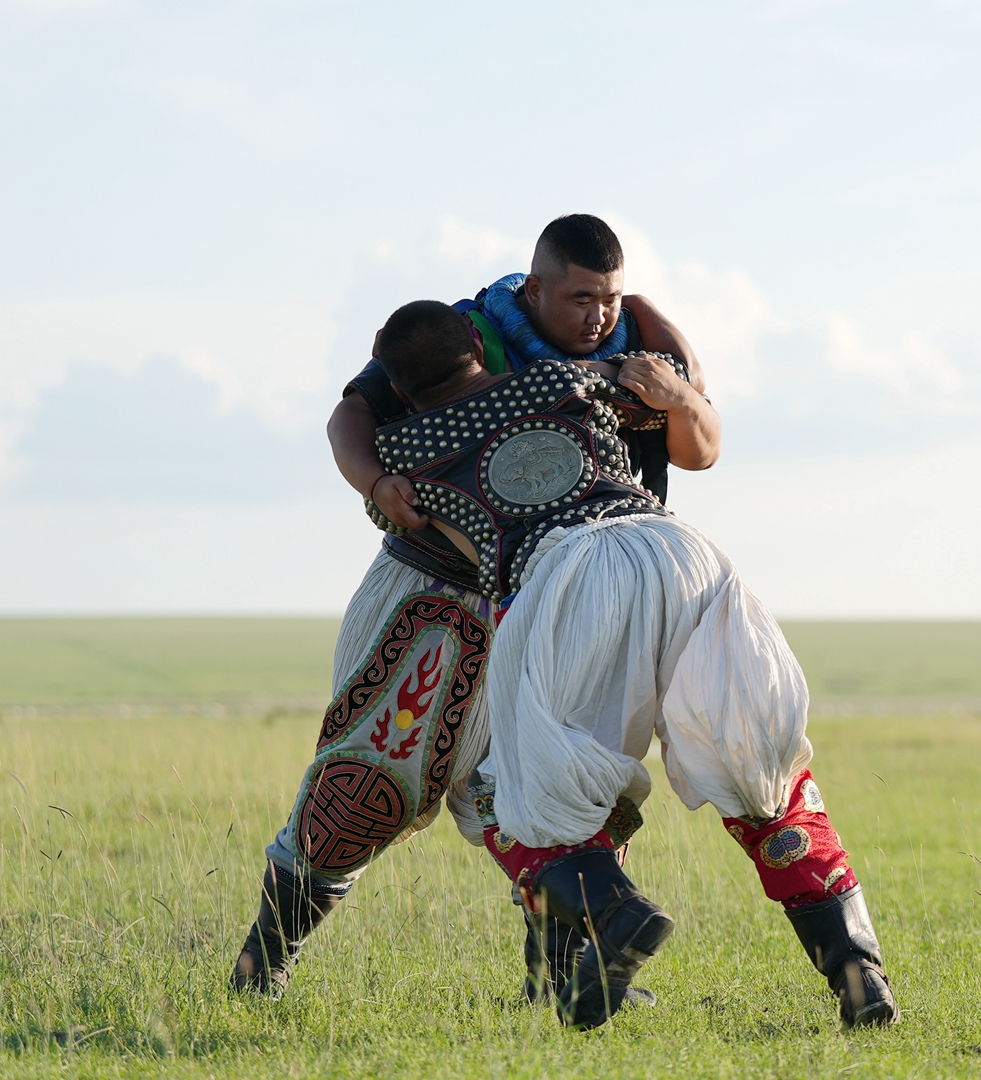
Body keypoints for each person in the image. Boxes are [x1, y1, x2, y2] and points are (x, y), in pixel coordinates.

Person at [360, 299, 898, 1031]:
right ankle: (860, 974)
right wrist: (641, 309)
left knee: (521, 785)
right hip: (680, 553)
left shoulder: (405, 454)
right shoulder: (565, 378)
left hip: (562, 577)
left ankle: (615, 912)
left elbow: (361, 448)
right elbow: (678, 375)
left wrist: (375, 472)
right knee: (760, 767)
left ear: (399, 386)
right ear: (481, 354)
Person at [230, 215, 719, 1005]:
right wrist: (376, 482)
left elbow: (702, 439)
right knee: (364, 787)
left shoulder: (643, 346)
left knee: (569, 781)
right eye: (580, 298)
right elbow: (350, 415)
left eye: (608, 298)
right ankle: (262, 966)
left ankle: (565, 979)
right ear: (536, 290)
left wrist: (675, 389)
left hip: (575, 597)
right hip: (436, 593)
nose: (598, 314)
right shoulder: (462, 333)